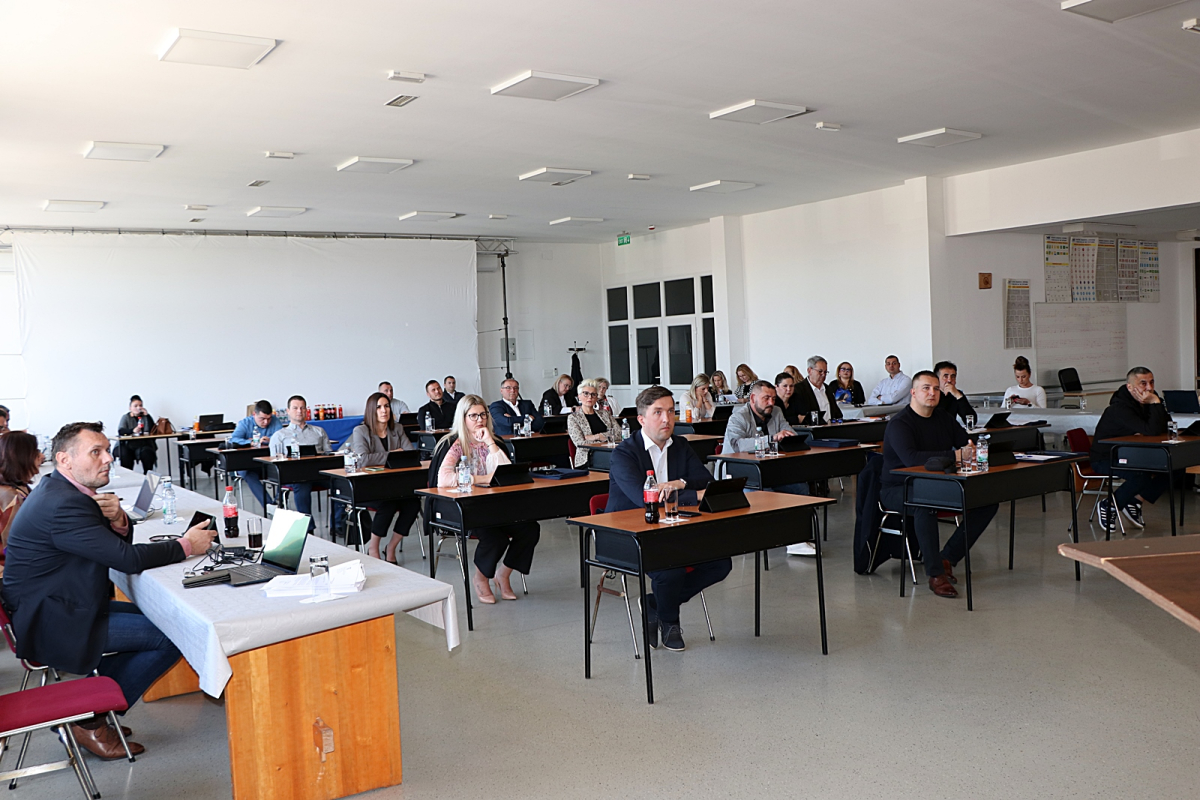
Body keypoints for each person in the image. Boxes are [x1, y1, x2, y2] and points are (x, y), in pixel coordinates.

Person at [1, 421, 216, 759]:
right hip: (52, 619)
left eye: (107, 451)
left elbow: (111, 550)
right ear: (65, 460)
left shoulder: (62, 491)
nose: (108, 459)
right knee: (172, 634)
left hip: (59, 603)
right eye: (95, 452)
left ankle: (88, 710)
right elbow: (127, 560)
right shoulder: (63, 504)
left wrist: (118, 520)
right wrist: (186, 545)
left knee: (161, 618)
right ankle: (90, 721)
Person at [605, 386, 721, 652]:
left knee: (720, 562)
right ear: (641, 419)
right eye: (658, 412)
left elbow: (706, 481)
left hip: (672, 527)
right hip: (627, 534)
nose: (667, 419)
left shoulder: (680, 445)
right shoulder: (624, 453)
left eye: (670, 411)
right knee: (670, 570)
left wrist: (679, 484)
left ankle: (655, 604)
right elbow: (645, 498)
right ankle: (670, 621)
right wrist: (692, 494)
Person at [879, 372, 998, 598]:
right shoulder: (899, 423)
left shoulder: (943, 417)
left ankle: (948, 558)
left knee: (987, 501)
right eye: (926, 388)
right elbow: (912, 460)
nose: (932, 393)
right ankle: (935, 574)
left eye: (936, 389)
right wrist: (955, 455)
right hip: (898, 488)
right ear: (913, 392)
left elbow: (965, 443)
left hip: (937, 484)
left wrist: (971, 449)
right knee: (924, 504)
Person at [437, 396, 540, 604]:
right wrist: (482, 479)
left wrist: (490, 443)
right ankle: (481, 577)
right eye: (473, 416)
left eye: (483, 415)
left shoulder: (494, 441)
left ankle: (503, 574)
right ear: (463, 418)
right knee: (495, 537)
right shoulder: (454, 443)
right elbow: (443, 479)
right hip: (467, 507)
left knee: (530, 529)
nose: (479, 420)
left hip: (496, 505)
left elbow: (506, 473)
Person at [724, 381, 815, 554]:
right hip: (740, 474)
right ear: (753, 398)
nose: (771, 403)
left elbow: (790, 432)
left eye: (773, 398)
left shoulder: (777, 412)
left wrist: (788, 436)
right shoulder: (738, 417)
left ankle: (799, 536)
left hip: (770, 470)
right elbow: (738, 445)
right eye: (766, 398)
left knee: (800, 487)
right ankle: (784, 538)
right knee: (765, 493)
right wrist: (771, 439)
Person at [1092, 367, 1172, 531]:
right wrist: (1155, 403)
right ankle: (1110, 505)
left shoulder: (1148, 400)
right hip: (1107, 457)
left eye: (1151, 382)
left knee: (1174, 466)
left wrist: (1155, 404)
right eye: (1143, 383)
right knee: (1140, 475)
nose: (1149, 388)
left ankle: (1135, 501)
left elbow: (1165, 426)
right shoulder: (1119, 408)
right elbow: (1151, 430)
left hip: (1133, 454)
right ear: (1130, 387)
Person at [348, 392, 420, 562]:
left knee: (413, 503)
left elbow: (410, 454)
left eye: (386, 406)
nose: (384, 410)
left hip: (395, 484)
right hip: (369, 486)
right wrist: (393, 454)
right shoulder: (361, 431)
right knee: (388, 503)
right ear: (371, 410)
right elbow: (363, 459)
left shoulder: (397, 429)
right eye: (379, 407)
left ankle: (391, 546)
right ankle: (373, 547)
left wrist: (387, 456)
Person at [268, 396, 334, 532]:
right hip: (295, 476)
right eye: (295, 408)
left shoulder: (319, 431)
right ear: (288, 411)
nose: (299, 411)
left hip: (319, 473)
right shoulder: (279, 436)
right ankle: (308, 528)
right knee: (302, 485)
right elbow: (274, 462)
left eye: (302, 408)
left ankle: (337, 524)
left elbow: (329, 454)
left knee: (341, 484)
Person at [0, 431, 43, 579]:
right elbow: (14, 546)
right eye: (36, 452)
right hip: (10, 575)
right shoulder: (10, 496)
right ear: (20, 456)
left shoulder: (19, 488)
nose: (41, 456)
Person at [228, 400, 282, 510]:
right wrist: (251, 442)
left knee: (282, 470)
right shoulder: (245, 423)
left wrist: (271, 440)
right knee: (248, 474)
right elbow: (233, 439)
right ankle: (269, 506)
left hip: (268, 462)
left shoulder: (275, 421)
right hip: (248, 463)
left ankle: (278, 501)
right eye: (262, 419)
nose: (266, 422)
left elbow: (282, 437)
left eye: (269, 419)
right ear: (254, 414)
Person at [567, 379, 618, 466]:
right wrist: (607, 440)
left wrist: (596, 437)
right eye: (586, 393)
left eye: (593, 394)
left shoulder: (605, 414)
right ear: (579, 396)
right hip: (587, 459)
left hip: (610, 455)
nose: (590, 397)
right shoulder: (573, 418)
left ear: (597, 397)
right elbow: (580, 443)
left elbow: (619, 433)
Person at [794, 356, 843, 425]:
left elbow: (836, 412)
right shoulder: (798, 389)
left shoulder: (828, 388)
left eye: (825, 372)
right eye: (820, 371)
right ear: (809, 371)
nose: (823, 375)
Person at [117, 395, 157, 472]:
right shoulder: (126, 417)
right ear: (130, 408)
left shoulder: (145, 417)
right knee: (125, 453)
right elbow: (121, 431)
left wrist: (147, 416)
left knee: (148, 452)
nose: (138, 408)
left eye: (140, 405)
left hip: (143, 444)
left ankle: (147, 475)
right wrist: (132, 430)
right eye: (135, 406)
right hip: (128, 444)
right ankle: (128, 475)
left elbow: (153, 430)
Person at [934, 361, 976, 425]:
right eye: (945, 376)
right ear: (937, 379)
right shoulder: (931, 394)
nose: (949, 380)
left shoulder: (956, 394)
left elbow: (971, 421)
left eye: (953, 376)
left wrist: (958, 395)